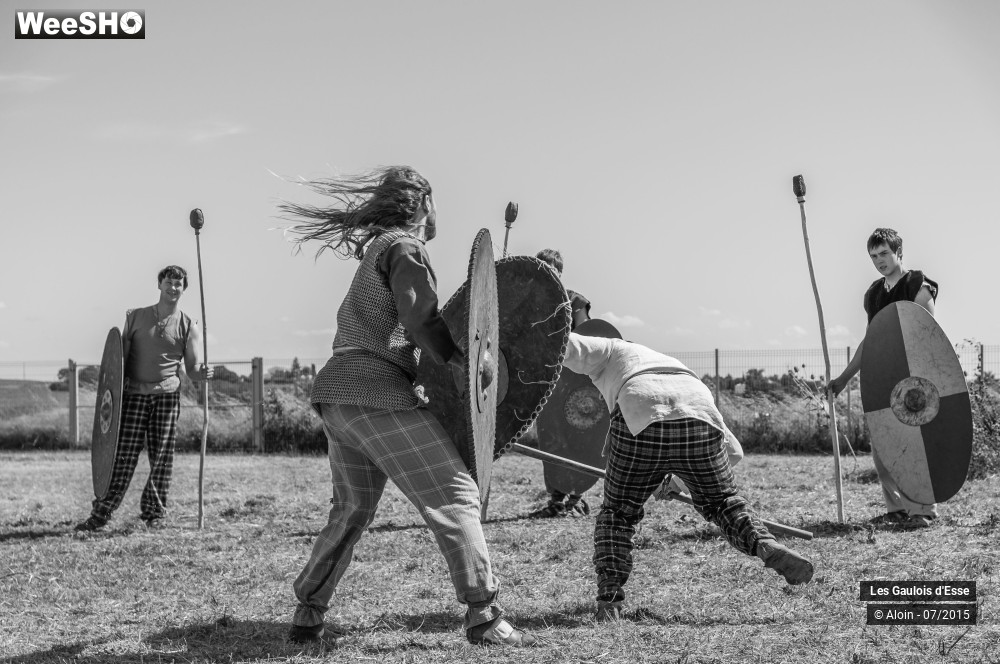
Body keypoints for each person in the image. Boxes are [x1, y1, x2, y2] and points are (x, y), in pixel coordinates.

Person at [280, 166, 535, 647]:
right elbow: (422, 319)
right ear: (422, 203)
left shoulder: (379, 248)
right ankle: (484, 612)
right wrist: (460, 361)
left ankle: (307, 612)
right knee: (455, 492)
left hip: (337, 395)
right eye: (435, 201)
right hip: (372, 392)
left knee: (352, 509)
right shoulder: (405, 246)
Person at [561, 331, 815, 621]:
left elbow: (562, 342)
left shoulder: (613, 349)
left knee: (618, 514)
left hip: (639, 409)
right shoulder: (677, 368)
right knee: (724, 503)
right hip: (699, 415)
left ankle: (610, 601)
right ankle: (765, 543)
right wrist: (678, 480)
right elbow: (733, 453)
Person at [75, 265, 208, 532]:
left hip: (167, 397)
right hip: (134, 395)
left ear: (184, 289)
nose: (173, 287)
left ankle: (154, 514)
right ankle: (101, 512)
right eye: (169, 282)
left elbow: (193, 370)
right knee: (123, 455)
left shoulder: (188, 325)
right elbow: (119, 361)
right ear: (159, 285)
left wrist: (202, 373)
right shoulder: (135, 317)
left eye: (179, 284)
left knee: (162, 457)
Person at [828, 228, 939, 529]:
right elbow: (871, 342)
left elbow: (926, 332)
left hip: (914, 377)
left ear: (899, 253)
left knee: (912, 445)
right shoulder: (874, 294)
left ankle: (922, 510)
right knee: (882, 448)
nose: (879, 260)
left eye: (884, 254)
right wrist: (842, 379)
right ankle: (897, 509)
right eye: (874, 256)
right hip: (883, 377)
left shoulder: (918, 285)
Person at [529, 248, 594, 518]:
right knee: (550, 438)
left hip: (574, 383)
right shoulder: (528, 301)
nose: (546, 274)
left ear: (559, 272)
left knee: (578, 438)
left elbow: (590, 338)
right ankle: (557, 499)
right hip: (544, 382)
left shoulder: (574, 300)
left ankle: (576, 496)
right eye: (541, 269)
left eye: (551, 269)